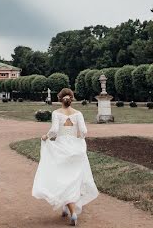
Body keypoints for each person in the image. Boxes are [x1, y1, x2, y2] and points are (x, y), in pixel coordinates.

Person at [32, 88, 98, 225]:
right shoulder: (78, 113)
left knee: (62, 178)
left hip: (61, 148)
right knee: (72, 179)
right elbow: (84, 131)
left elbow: (55, 130)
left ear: (60, 99)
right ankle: (66, 209)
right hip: (76, 148)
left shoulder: (56, 113)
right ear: (72, 99)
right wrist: (78, 139)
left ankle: (73, 212)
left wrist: (46, 136)